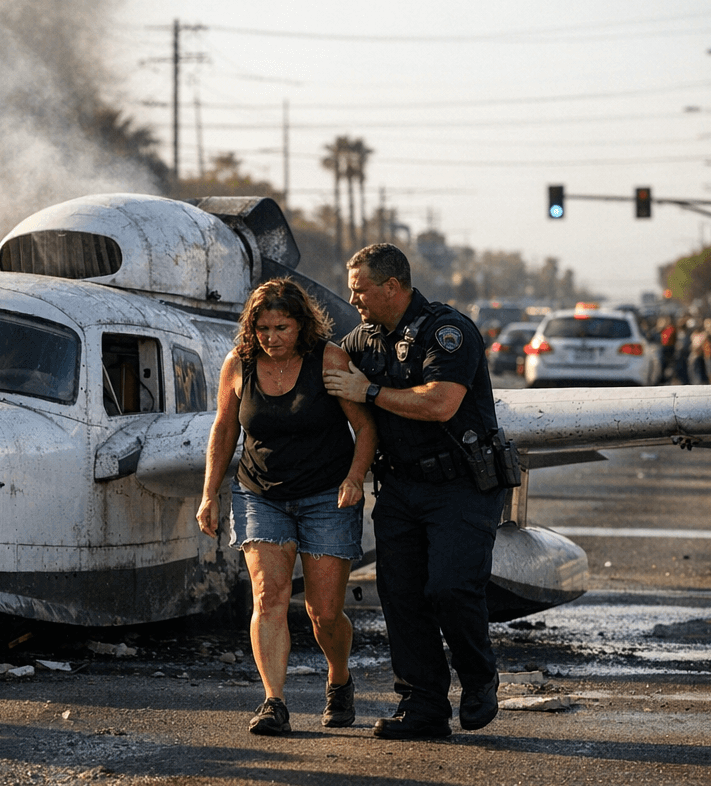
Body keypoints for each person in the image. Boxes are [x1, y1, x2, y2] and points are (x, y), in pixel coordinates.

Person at [323, 244, 506, 740]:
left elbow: (441, 403)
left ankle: (478, 677)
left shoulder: (446, 332)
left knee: (450, 588)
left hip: (460, 485)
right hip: (401, 487)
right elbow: (334, 356)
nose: (352, 297)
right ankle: (423, 704)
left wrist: (372, 393)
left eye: (359, 289)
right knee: (400, 596)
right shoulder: (364, 339)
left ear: (392, 287)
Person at [197, 278, 377, 735]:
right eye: (262, 329)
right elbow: (224, 430)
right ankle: (273, 701)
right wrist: (209, 494)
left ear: (301, 325)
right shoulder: (239, 364)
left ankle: (339, 677)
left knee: (324, 612)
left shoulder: (329, 359)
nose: (272, 338)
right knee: (269, 596)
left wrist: (356, 478)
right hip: (260, 494)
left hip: (326, 495)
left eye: (281, 327)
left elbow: (366, 426)